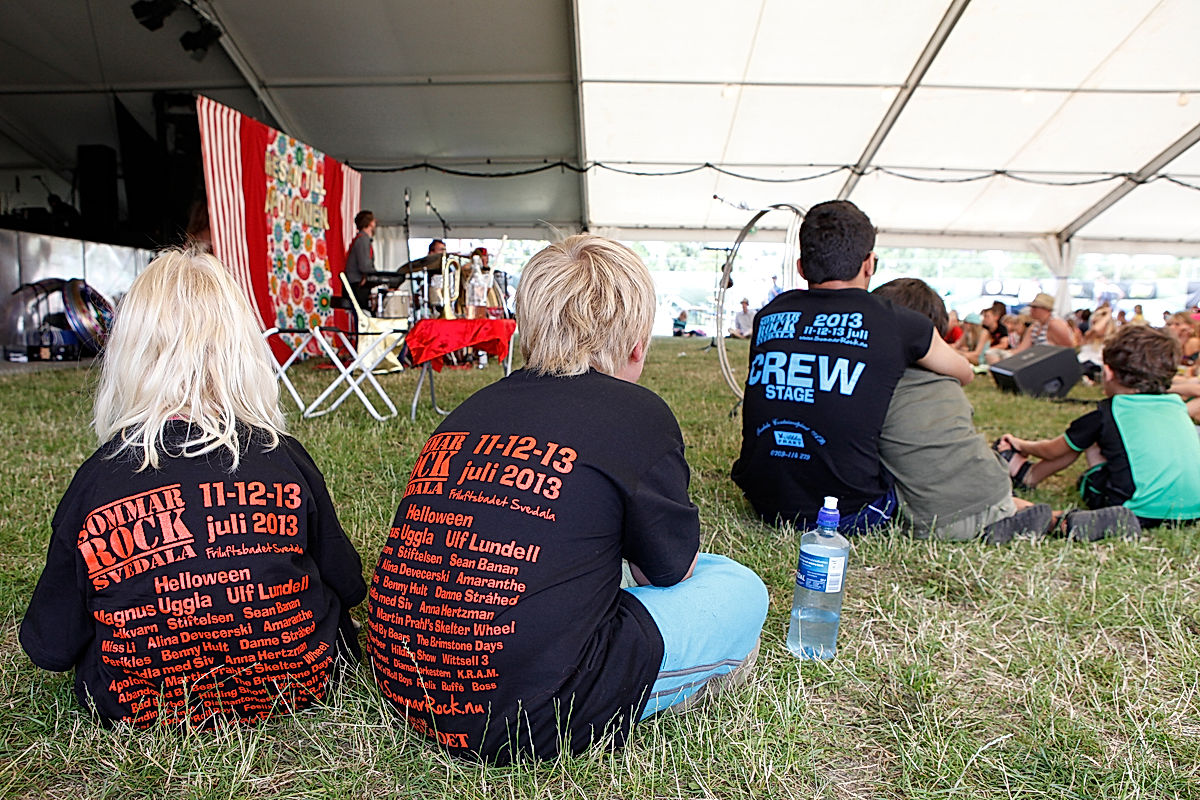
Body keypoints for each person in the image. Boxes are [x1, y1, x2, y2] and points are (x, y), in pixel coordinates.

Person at [367, 234, 767, 763]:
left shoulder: (475, 407)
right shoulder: (638, 413)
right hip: (528, 716)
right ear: (636, 343)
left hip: (402, 678)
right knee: (739, 586)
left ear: (529, 327)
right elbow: (667, 575)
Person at [19, 249, 367, 727]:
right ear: (244, 351)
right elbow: (348, 583)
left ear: (129, 354)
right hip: (298, 683)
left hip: (135, 704)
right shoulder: (284, 458)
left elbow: (52, 645)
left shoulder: (96, 481)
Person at [731, 200, 973, 532]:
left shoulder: (770, 314)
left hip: (761, 498)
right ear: (869, 264)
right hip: (847, 512)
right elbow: (964, 373)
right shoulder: (900, 322)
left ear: (801, 267)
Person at [873, 279, 1052, 543]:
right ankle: (1051, 518)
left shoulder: (874, 383)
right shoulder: (947, 381)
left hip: (934, 521)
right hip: (994, 489)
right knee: (979, 493)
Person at [998, 324, 1200, 537]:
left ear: (1108, 372)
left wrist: (1021, 444)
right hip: (1192, 510)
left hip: (1133, 509)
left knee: (1087, 443)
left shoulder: (1108, 412)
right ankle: (1030, 475)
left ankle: (1029, 476)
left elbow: (1053, 450)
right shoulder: (1175, 405)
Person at [1010, 293, 1076, 352]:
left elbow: (1069, 349)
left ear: (1046, 308)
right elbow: (1021, 350)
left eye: (1035, 307)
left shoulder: (1055, 324)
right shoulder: (1034, 327)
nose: (1031, 310)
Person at [344, 209, 377, 311]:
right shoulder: (363, 240)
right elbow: (364, 266)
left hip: (354, 284)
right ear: (370, 223)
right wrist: (378, 276)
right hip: (357, 285)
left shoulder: (360, 238)